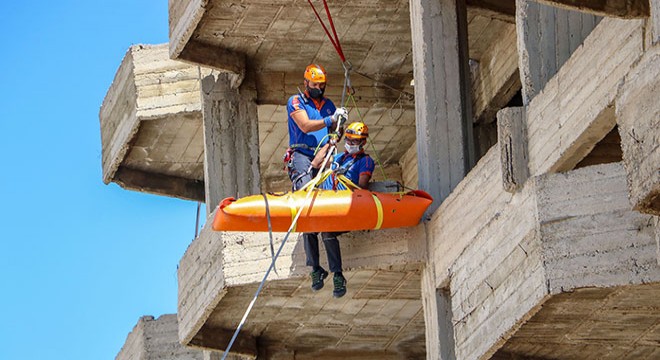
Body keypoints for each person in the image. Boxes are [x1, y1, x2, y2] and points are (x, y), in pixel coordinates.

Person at [285, 63, 348, 296]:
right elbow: (305, 125)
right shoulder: (296, 101)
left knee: (326, 213)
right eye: (315, 85)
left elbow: (335, 133)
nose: (318, 89)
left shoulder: (328, 105)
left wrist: (338, 127)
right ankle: (315, 267)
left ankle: (337, 273)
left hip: (324, 153)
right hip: (302, 153)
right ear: (306, 84)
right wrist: (330, 120)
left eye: (321, 86)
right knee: (307, 209)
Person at [307, 121, 375, 298]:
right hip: (329, 205)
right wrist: (332, 142)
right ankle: (316, 269)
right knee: (307, 228)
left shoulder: (365, 161)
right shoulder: (338, 158)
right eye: (349, 140)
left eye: (355, 141)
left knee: (327, 232)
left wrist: (342, 178)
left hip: (346, 208)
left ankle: (337, 275)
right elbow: (316, 163)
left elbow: (362, 186)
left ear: (362, 143)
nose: (351, 144)